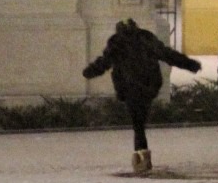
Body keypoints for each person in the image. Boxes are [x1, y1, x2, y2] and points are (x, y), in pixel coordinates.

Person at [83, 18, 202, 175]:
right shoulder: (146, 37)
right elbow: (167, 54)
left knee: (137, 124)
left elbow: (104, 62)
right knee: (139, 121)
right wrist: (190, 64)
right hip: (149, 85)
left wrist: (89, 72)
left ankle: (141, 158)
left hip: (130, 86)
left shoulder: (117, 41)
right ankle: (141, 157)